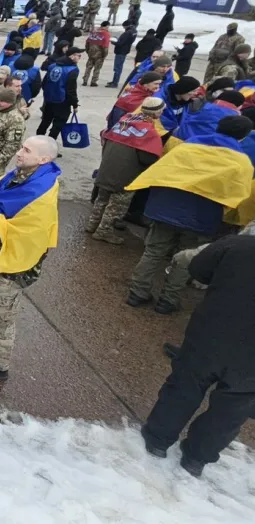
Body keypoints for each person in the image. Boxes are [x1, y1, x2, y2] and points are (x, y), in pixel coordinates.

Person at [140, 233, 255, 477]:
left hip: (212, 333)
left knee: (185, 386)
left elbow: (198, 268)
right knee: (232, 409)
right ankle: (197, 458)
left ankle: (158, 440)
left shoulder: (238, 244)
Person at [124, 116, 254, 314]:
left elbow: (162, 170)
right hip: (202, 216)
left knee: (153, 251)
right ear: (243, 136)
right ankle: (168, 300)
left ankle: (137, 293)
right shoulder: (241, 161)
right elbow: (238, 193)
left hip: (165, 207)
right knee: (185, 257)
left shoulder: (187, 146)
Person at [0, 136, 61, 381]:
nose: (19, 153)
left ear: (44, 159)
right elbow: (0, 190)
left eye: (26, 150)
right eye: (21, 148)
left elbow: (30, 229)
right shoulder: (24, 175)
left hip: (13, 265)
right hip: (0, 257)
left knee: (2, 313)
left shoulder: (40, 189)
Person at [88, 98, 165, 244]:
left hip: (107, 168)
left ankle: (92, 225)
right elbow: (147, 158)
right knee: (117, 205)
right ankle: (103, 231)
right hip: (125, 174)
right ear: (157, 112)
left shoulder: (125, 120)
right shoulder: (149, 131)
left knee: (102, 199)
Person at [36, 47, 83, 141]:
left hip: (49, 99)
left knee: (45, 121)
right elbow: (71, 90)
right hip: (63, 101)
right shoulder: (72, 70)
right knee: (58, 124)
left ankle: (37, 141)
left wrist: (48, 94)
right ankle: (50, 144)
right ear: (72, 56)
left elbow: (44, 82)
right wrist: (75, 104)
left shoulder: (53, 66)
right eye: (79, 56)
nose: (80, 58)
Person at [108, 22, 138, 89]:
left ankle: (115, 82)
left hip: (121, 51)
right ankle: (114, 81)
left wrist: (113, 42)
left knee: (117, 68)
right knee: (119, 67)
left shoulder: (127, 33)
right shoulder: (134, 31)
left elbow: (120, 43)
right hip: (125, 50)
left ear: (126, 26)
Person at [82, 21, 111, 87]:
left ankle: (85, 80)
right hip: (99, 55)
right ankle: (93, 82)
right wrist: (104, 55)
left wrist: (88, 51)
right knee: (97, 69)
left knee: (88, 67)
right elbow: (105, 46)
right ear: (106, 26)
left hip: (91, 53)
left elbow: (87, 42)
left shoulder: (93, 32)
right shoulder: (106, 34)